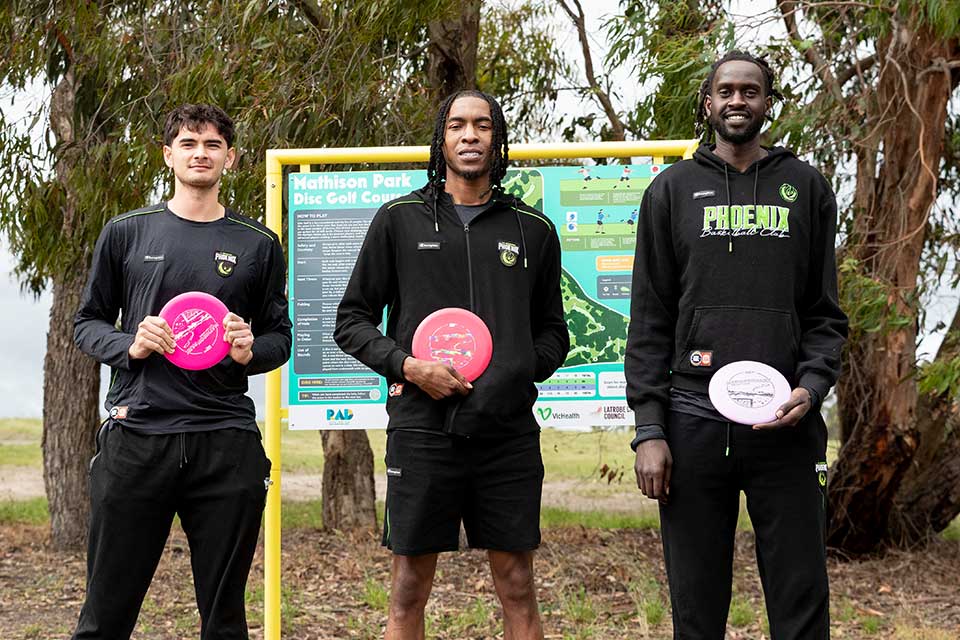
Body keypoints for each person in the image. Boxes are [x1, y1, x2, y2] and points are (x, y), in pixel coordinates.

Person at [625, 51, 847, 639]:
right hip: (693, 419)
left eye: (750, 91)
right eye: (726, 91)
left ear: (767, 103)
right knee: (695, 603)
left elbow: (824, 312)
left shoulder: (806, 187)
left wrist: (812, 385)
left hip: (786, 421)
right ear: (708, 103)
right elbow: (649, 319)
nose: (737, 101)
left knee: (800, 598)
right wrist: (650, 429)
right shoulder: (671, 191)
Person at [334, 90, 569, 640]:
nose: (470, 136)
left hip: (506, 435)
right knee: (408, 591)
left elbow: (555, 332)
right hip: (421, 432)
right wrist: (409, 367)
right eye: (458, 126)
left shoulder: (531, 229)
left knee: (517, 586)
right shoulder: (399, 220)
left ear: (497, 137)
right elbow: (352, 320)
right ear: (442, 138)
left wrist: (514, 369)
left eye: (482, 126)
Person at [72, 104, 292, 639]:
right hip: (138, 437)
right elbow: (86, 323)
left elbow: (279, 336)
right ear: (169, 155)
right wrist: (132, 344)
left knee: (223, 618)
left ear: (230, 158)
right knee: (105, 613)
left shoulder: (258, 243)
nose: (201, 153)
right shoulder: (127, 232)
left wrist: (250, 351)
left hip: (225, 441)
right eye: (189, 143)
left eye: (213, 144)